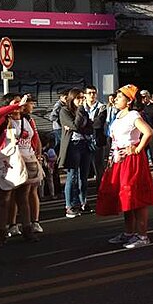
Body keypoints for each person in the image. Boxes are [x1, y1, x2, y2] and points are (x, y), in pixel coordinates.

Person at [97, 85, 153, 249]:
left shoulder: (133, 115)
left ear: (129, 101)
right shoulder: (118, 116)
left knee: (135, 196)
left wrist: (137, 149)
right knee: (124, 196)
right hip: (118, 160)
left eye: (120, 97)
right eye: (116, 96)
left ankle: (142, 235)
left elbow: (148, 132)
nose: (116, 99)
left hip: (132, 161)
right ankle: (129, 232)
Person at [0, 94, 42, 246]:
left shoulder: (27, 120)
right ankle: (1, 235)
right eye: (16, 102)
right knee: (4, 199)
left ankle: (27, 230)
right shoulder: (1, 119)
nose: (21, 105)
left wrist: (37, 154)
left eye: (21, 102)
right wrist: (14, 106)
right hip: (7, 164)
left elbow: (33, 139)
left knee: (23, 198)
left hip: (26, 162)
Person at [59, 88, 93, 218]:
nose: (81, 100)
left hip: (85, 144)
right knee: (72, 176)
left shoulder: (83, 111)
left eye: (82, 98)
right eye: (78, 98)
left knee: (83, 176)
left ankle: (83, 202)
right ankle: (69, 205)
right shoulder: (65, 111)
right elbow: (76, 126)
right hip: (73, 146)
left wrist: (81, 126)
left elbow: (90, 127)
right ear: (72, 99)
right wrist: (79, 114)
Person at [84, 85, 108, 184]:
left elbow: (98, 123)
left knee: (99, 167)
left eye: (94, 93)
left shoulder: (101, 107)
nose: (92, 95)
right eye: (89, 93)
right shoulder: (81, 107)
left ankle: (100, 191)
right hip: (83, 140)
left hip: (97, 140)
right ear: (85, 95)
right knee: (84, 168)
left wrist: (86, 123)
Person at [139, 89, 153, 168]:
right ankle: (144, 165)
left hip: (152, 130)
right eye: (142, 97)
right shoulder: (140, 107)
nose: (144, 99)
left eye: (145, 97)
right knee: (143, 149)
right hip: (142, 132)